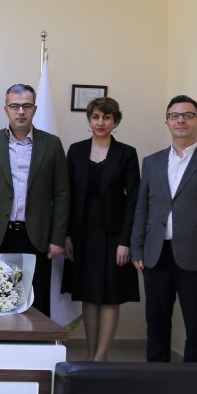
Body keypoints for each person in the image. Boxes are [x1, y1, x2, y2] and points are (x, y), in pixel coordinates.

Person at [131, 95, 197, 362]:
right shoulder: (152, 162)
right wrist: (137, 248)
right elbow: (142, 208)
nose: (181, 120)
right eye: (174, 116)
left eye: (188, 116)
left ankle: (194, 383)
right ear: (167, 122)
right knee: (156, 325)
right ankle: (157, 379)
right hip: (156, 255)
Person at [0, 84, 69, 317]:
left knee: (37, 304)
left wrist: (58, 238)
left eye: (26, 106)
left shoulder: (52, 144)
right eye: (15, 106)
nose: (21, 111)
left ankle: (38, 341)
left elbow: (62, 194)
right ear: (6, 109)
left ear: (35, 109)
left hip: (37, 237)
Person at [62, 97, 140, 361]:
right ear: (89, 120)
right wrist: (67, 236)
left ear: (115, 122)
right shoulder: (76, 151)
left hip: (115, 235)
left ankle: (101, 357)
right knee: (89, 294)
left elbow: (134, 199)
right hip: (82, 235)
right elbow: (66, 195)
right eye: (95, 117)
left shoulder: (126, 153)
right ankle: (90, 355)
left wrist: (126, 241)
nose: (101, 122)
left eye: (107, 117)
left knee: (110, 296)